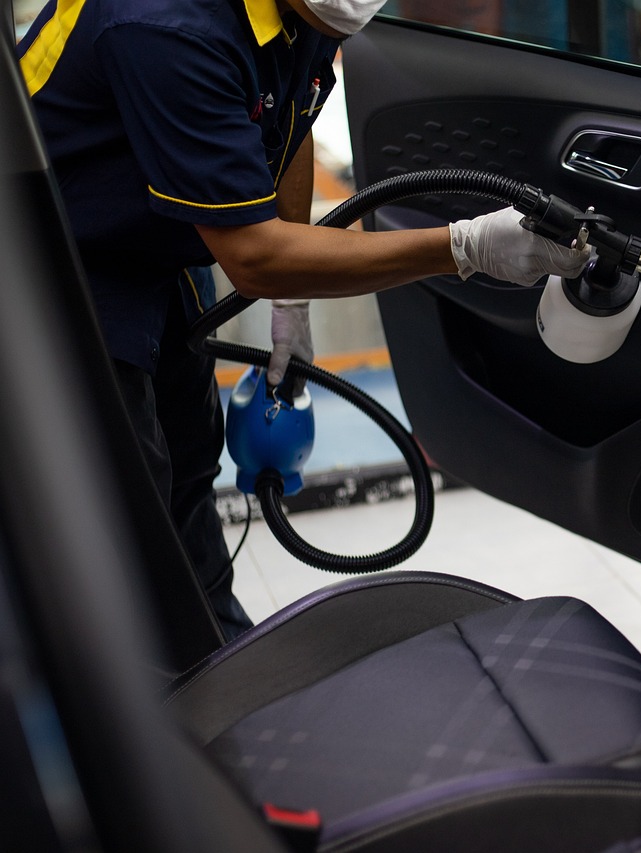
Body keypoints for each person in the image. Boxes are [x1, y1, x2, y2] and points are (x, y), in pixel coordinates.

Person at [17, 0, 588, 640]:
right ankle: (136, 679)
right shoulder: (163, 25)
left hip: (143, 246)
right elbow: (255, 258)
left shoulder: (304, 14)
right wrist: (465, 247)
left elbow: (288, 119)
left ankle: (214, 653)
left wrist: (293, 298)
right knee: (125, 503)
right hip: (41, 262)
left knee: (188, 464)